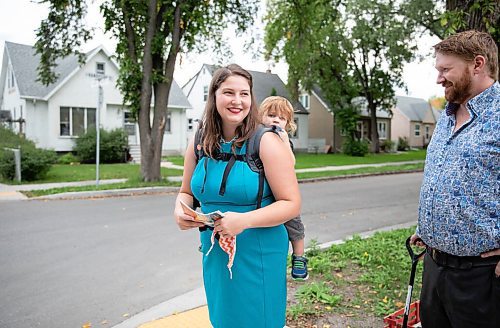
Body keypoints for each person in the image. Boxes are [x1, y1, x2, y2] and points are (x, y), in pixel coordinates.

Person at [173, 64, 301, 328]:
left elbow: (291, 204)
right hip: (216, 252)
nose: (237, 101)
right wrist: (180, 209)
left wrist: (244, 221)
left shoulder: (266, 141)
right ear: (214, 96)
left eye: (244, 94)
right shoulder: (199, 140)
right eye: (228, 92)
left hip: (259, 253)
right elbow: (186, 192)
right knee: (224, 321)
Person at [410, 30, 499, 328]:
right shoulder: (447, 114)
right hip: (434, 268)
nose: (439, 79)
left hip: (481, 277)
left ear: (477, 64)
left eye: (446, 70)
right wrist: (429, 225)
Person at [258, 96, 309, 280]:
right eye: (271, 115)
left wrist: (285, 141)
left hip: (281, 192)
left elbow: (291, 163)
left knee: (294, 224)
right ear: (260, 116)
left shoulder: (284, 141)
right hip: (259, 190)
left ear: (288, 124)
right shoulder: (255, 136)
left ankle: (299, 257)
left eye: (281, 118)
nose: (276, 120)